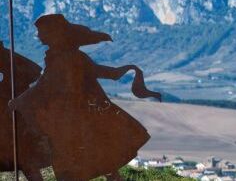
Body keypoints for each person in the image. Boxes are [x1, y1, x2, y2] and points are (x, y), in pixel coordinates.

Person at [12, 14, 161, 181]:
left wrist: (20, 101)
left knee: (69, 157)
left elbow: (44, 85)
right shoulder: (67, 55)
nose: (38, 35)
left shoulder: (63, 58)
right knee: (97, 155)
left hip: (70, 116)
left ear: (53, 32)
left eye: (41, 31)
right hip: (77, 113)